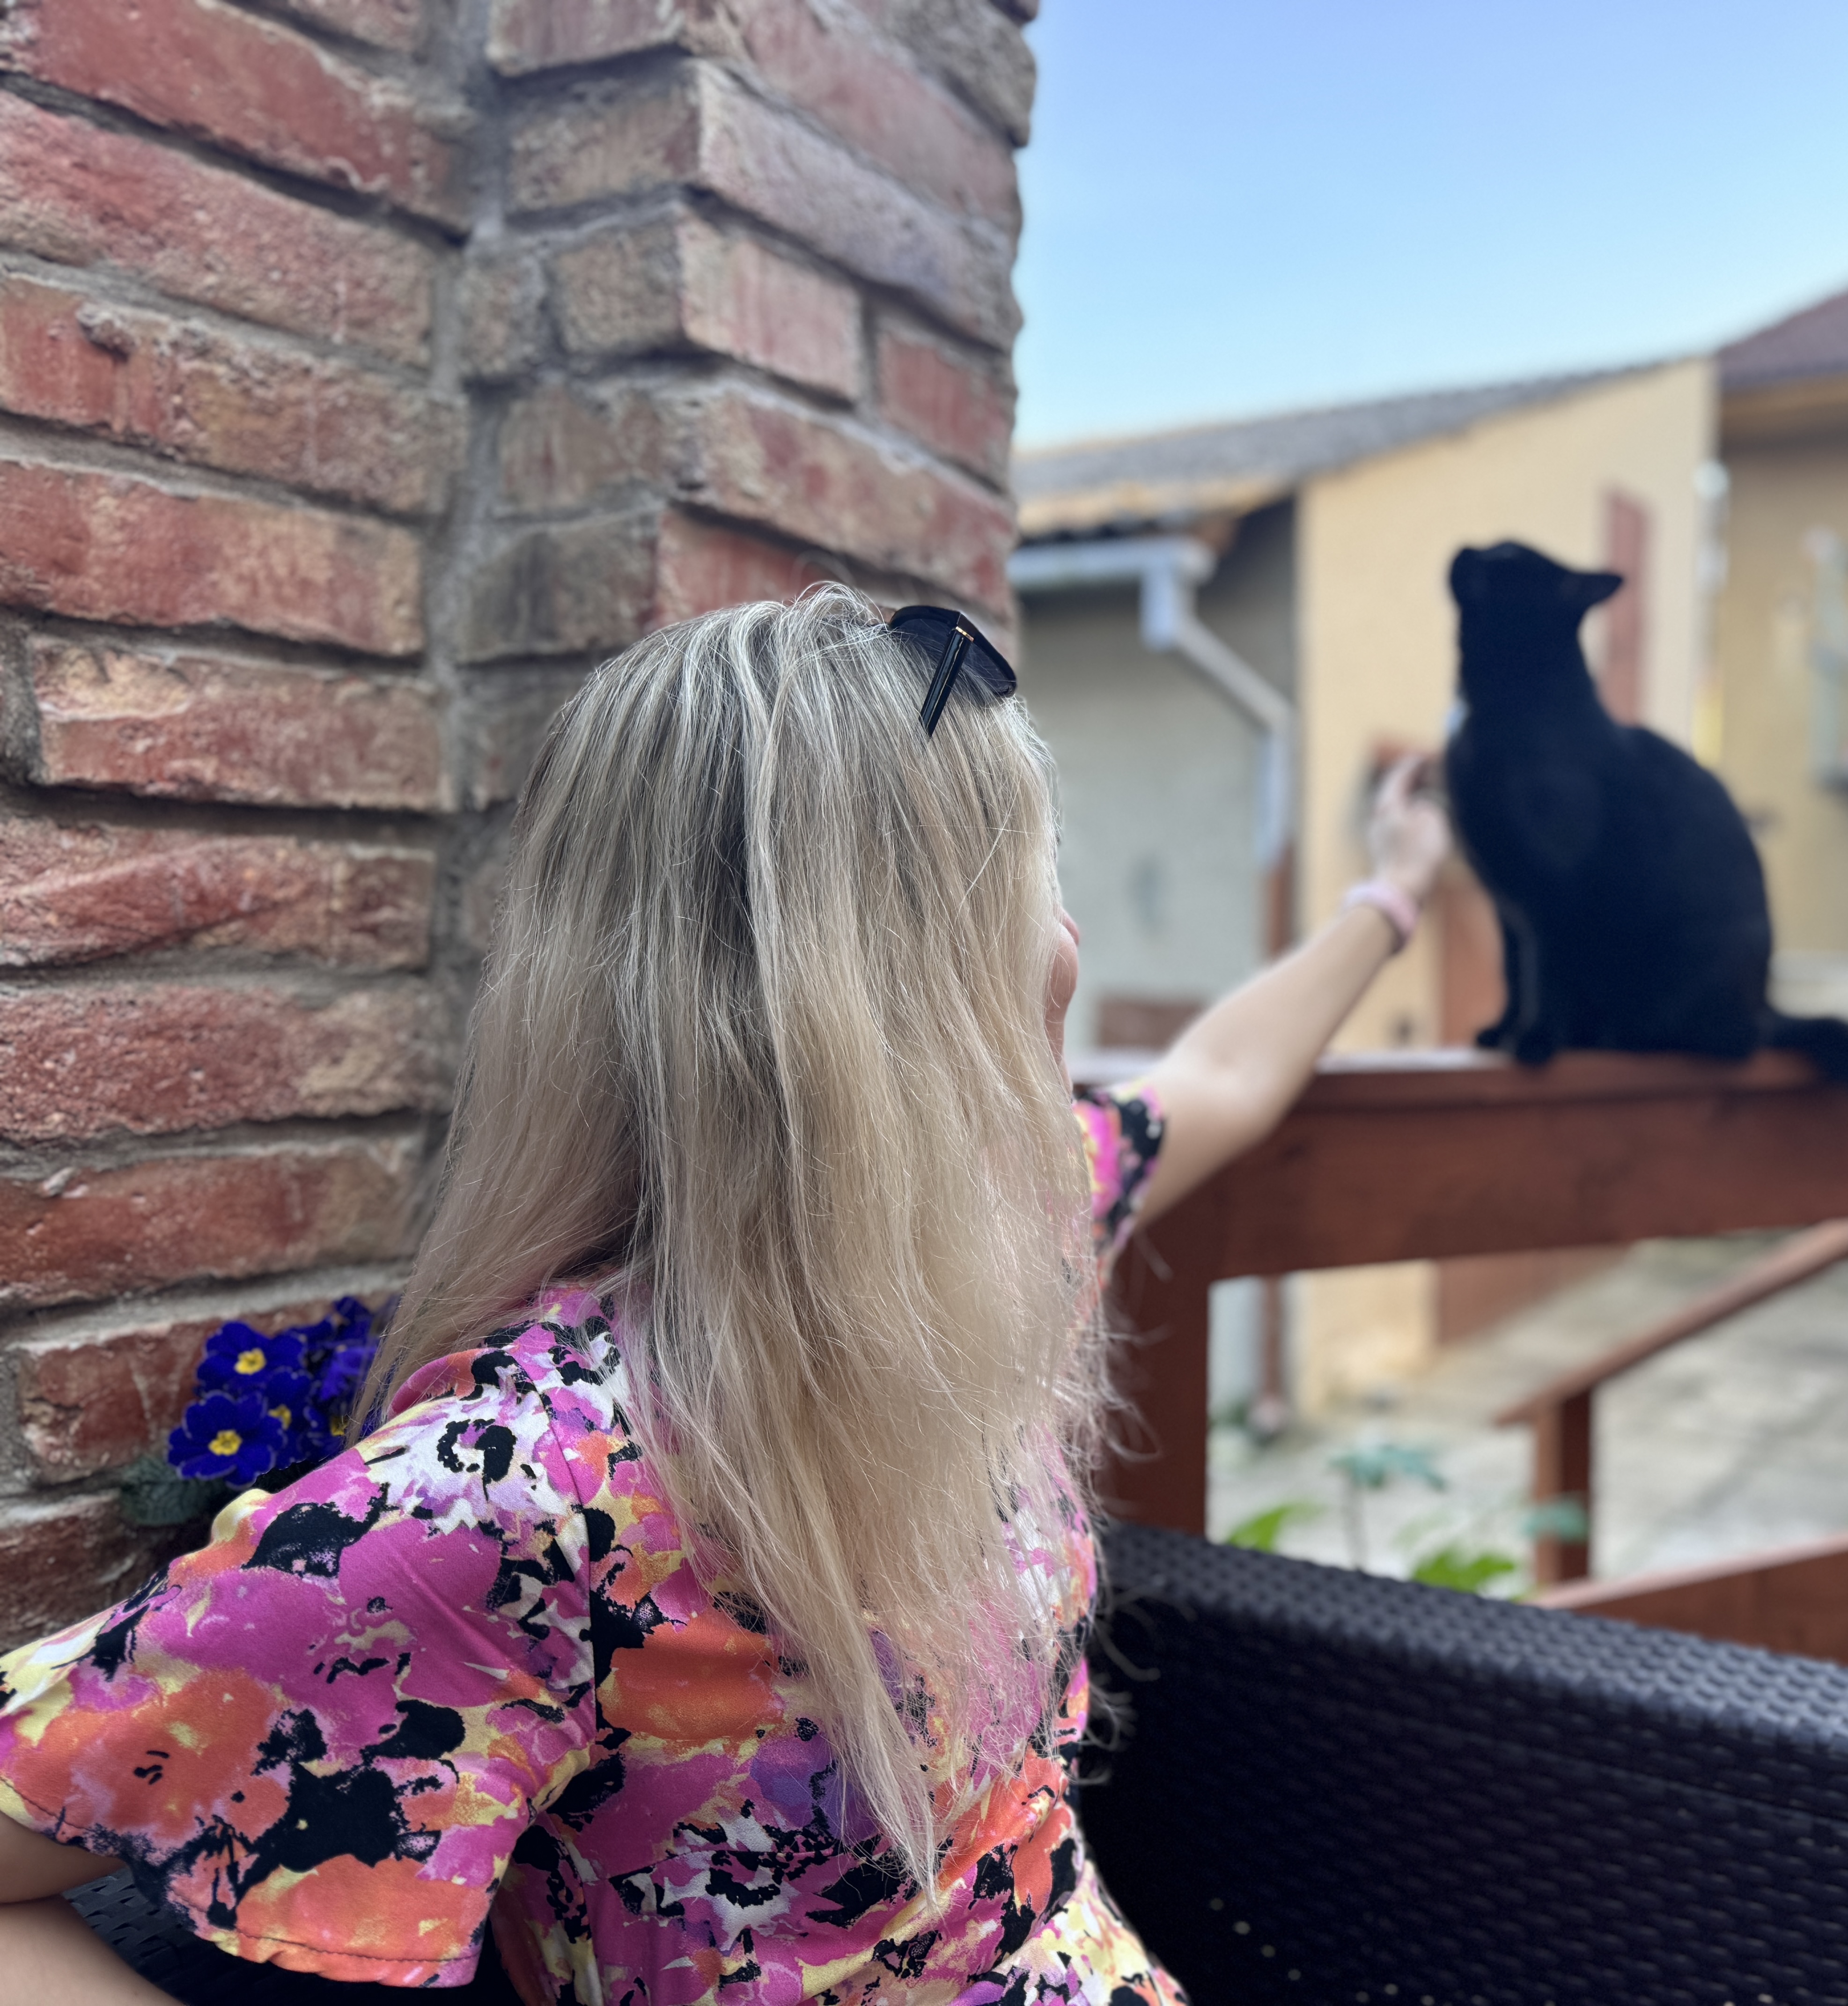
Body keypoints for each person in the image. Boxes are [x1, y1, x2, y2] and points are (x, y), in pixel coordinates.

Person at [0, 586, 1451, 2004]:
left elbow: (1223, 1083)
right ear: (896, 994)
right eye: (1026, 886)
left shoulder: (985, 1257)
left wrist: (1398, 888)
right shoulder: (510, 1504)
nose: (1064, 943)